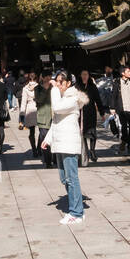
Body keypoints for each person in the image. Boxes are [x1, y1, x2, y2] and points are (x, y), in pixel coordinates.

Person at [43, 70, 85, 225]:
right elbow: (56, 121)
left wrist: (54, 89)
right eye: (57, 81)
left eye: (61, 82)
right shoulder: (62, 98)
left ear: (68, 83)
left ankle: (76, 212)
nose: (58, 84)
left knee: (72, 178)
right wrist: (48, 139)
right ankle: (77, 207)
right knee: (64, 178)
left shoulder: (72, 99)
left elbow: (58, 108)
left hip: (68, 143)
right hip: (60, 143)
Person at [76, 70, 104, 164]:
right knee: (82, 133)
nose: (84, 76)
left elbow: (98, 100)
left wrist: (102, 112)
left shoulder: (92, 86)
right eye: (83, 74)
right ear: (80, 75)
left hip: (91, 112)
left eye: (86, 74)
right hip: (80, 113)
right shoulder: (77, 86)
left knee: (92, 133)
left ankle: (92, 151)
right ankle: (85, 151)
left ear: (88, 76)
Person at [35, 73, 55, 167]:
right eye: (46, 77)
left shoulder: (54, 88)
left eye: (49, 77)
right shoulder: (38, 88)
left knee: (55, 139)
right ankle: (47, 161)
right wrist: (45, 89)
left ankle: (54, 158)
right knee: (44, 139)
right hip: (43, 118)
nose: (48, 79)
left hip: (54, 117)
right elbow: (39, 100)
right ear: (42, 77)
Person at [18, 72, 39, 156]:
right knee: (42, 131)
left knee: (32, 132)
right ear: (36, 78)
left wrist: (22, 115)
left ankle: (34, 150)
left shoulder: (25, 88)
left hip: (30, 110)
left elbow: (23, 103)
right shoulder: (39, 87)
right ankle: (39, 148)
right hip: (38, 109)